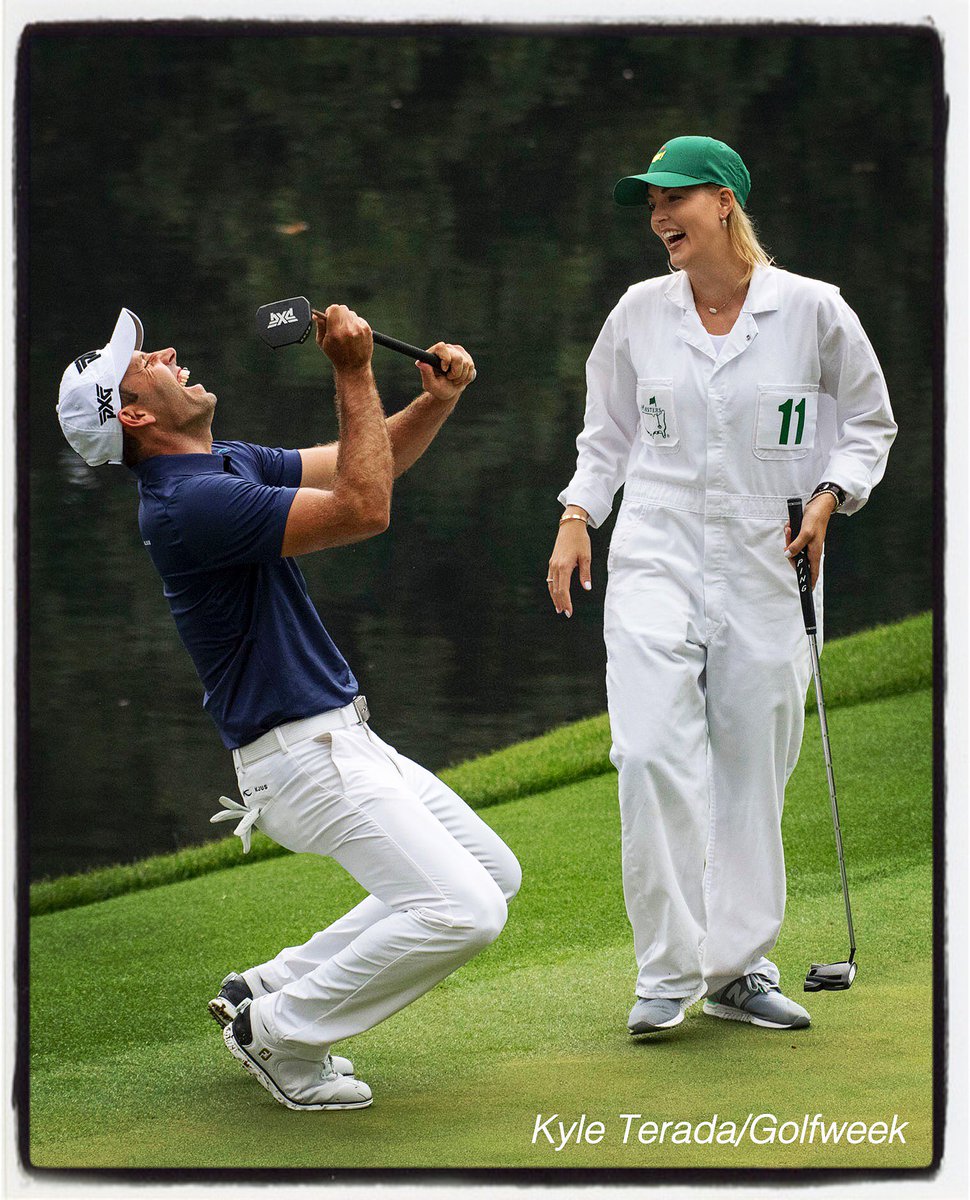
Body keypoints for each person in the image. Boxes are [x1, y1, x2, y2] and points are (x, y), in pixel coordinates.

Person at [57, 303, 520, 1110]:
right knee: (466, 910)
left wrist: (434, 402)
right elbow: (364, 508)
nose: (167, 352)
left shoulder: (220, 464)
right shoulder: (188, 505)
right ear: (133, 415)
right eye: (144, 363)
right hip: (303, 762)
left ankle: (268, 986)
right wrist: (352, 370)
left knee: (491, 873)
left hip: (341, 740)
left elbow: (358, 464)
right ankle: (278, 1032)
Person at [547, 136, 896, 1036]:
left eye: (675, 198)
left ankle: (736, 970)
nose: (660, 216)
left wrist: (832, 494)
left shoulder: (814, 309)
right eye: (652, 203)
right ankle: (666, 973)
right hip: (655, 544)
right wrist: (578, 514)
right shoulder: (637, 312)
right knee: (648, 752)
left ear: (725, 201)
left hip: (771, 552)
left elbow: (870, 423)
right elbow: (607, 436)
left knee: (751, 772)